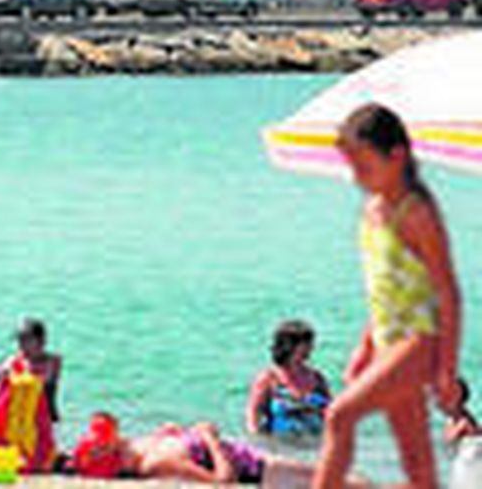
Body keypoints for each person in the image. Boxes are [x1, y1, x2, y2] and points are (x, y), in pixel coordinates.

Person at [315, 102, 463, 489]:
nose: (357, 177)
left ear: (397, 156)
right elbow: (386, 293)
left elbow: (447, 292)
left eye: (364, 167)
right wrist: (365, 346)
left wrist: (446, 368)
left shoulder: (417, 213)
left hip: (418, 342)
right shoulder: (371, 212)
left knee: (339, 416)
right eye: (351, 167)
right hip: (386, 342)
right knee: (417, 463)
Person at [118, 418, 368, 486]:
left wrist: (175, 433)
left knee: (340, 478)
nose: (120, 439)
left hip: (253, 459)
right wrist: (210, 438)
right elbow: (222, 481)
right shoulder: (157, 464)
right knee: (343, 482)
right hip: (259, 472)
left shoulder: (145, 447)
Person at [0, 317, 61, 471]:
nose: (21, 345)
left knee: (41, 463)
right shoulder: (14, 361)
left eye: (26, 340)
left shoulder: (51, 361)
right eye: (20, 341)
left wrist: (18, 377)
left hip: (37, 419)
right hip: (12, 419)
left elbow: (48, 383)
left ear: (41, 341)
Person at [245, 319, 331, 437]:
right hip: (281, 448)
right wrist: (257, 443)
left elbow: (332, 414)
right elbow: (253, 416)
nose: (311, 347)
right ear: (289, 346)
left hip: (316, 447)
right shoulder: (269, 379)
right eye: (306, 343)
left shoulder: (317, 378)